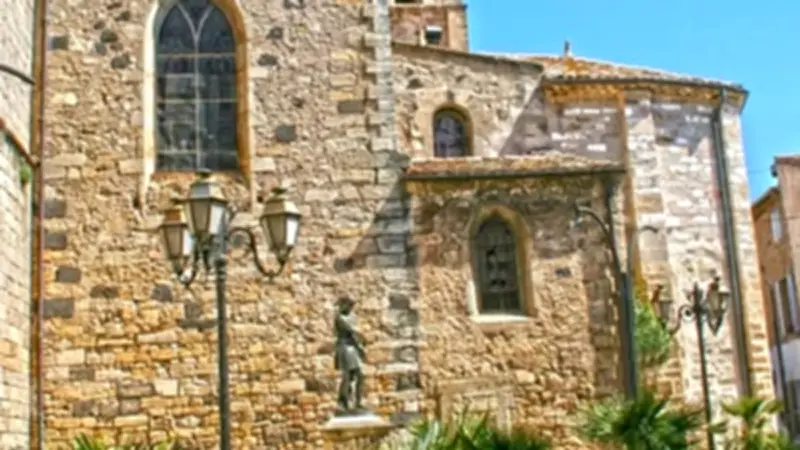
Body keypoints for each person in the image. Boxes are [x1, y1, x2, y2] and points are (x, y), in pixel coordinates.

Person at [333, 296, 367, 414]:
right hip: (345, 347)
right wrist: (361, 345)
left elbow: (357, 333)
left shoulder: (352, 316)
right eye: (348, 305)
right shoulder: (340, 318)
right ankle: (343, 401)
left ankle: (358, 401)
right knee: (347, 376)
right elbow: (353, 332)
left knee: (360, 374)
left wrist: (361, 346)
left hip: (354, 347)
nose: (350, 307)